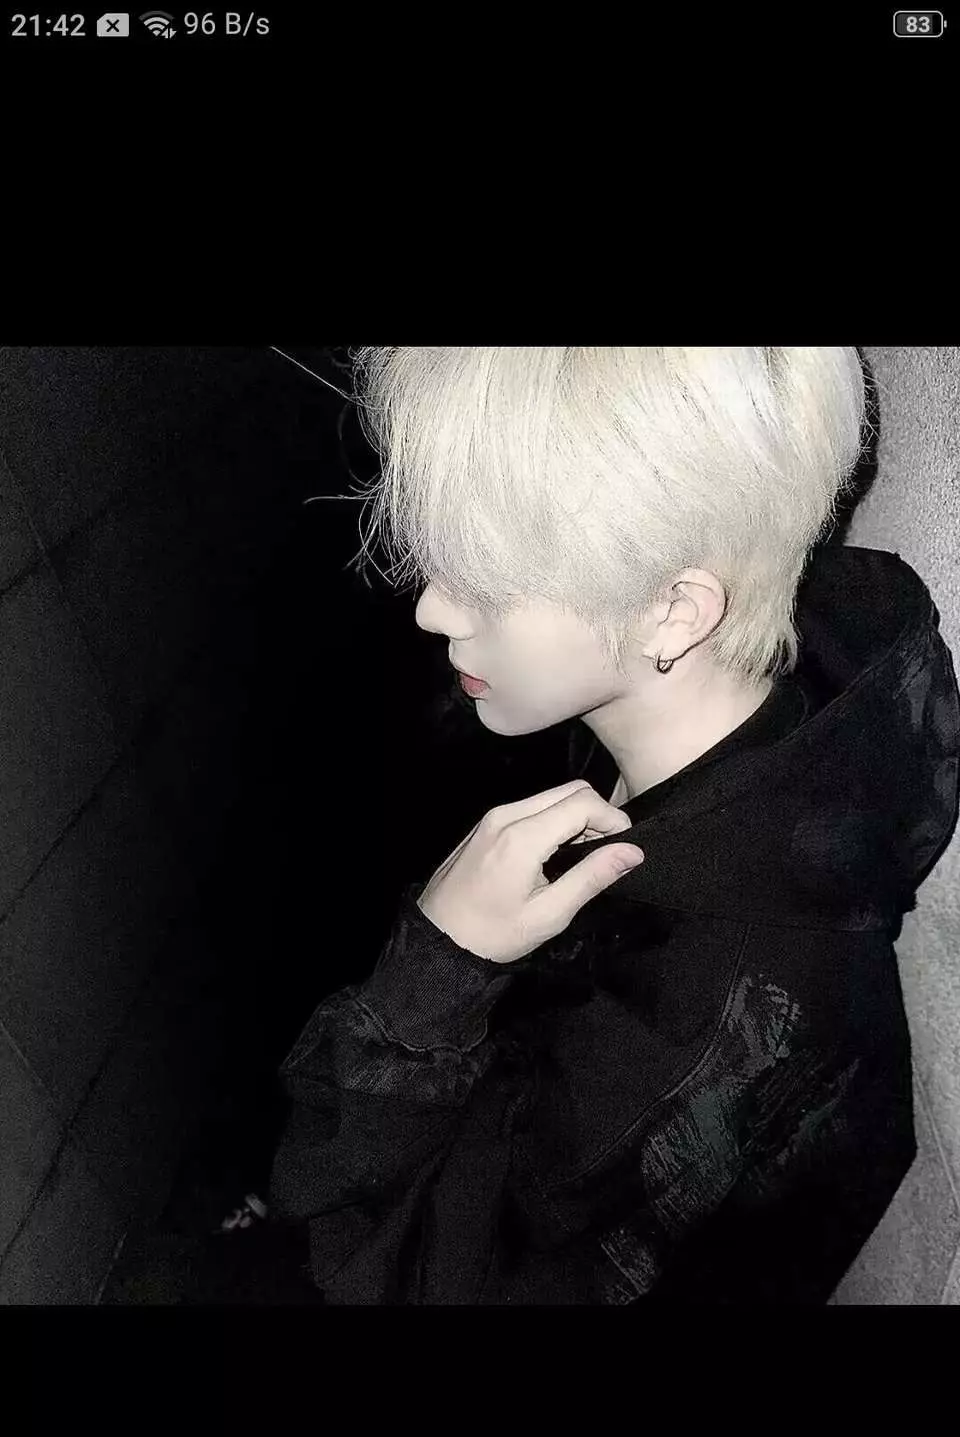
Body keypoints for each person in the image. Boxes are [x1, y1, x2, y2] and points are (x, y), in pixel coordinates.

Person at [264, 347, 960, 1304]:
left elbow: (395, 1279)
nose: (431, 609)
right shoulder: (748, 719)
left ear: (674, 613)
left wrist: (434, 977)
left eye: (488, 580)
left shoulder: (706, 1023)